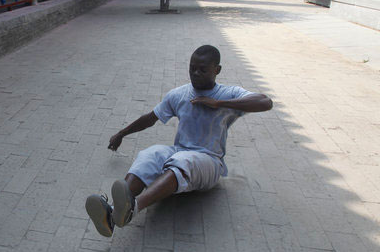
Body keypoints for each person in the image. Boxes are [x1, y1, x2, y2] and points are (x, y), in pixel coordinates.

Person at [85, 45, 273, 237]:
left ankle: (135, 207)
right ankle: (112, 214)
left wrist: (218, 104)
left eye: (203, 69)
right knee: (150, 154)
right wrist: (121, 134)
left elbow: (265, 102)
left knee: (184, 161)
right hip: (179, 150)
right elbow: (151, 118)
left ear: (217, 70)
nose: (196, 73)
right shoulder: (180, 94)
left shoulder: (228, 93)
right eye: (192, 68)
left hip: (209, 160)